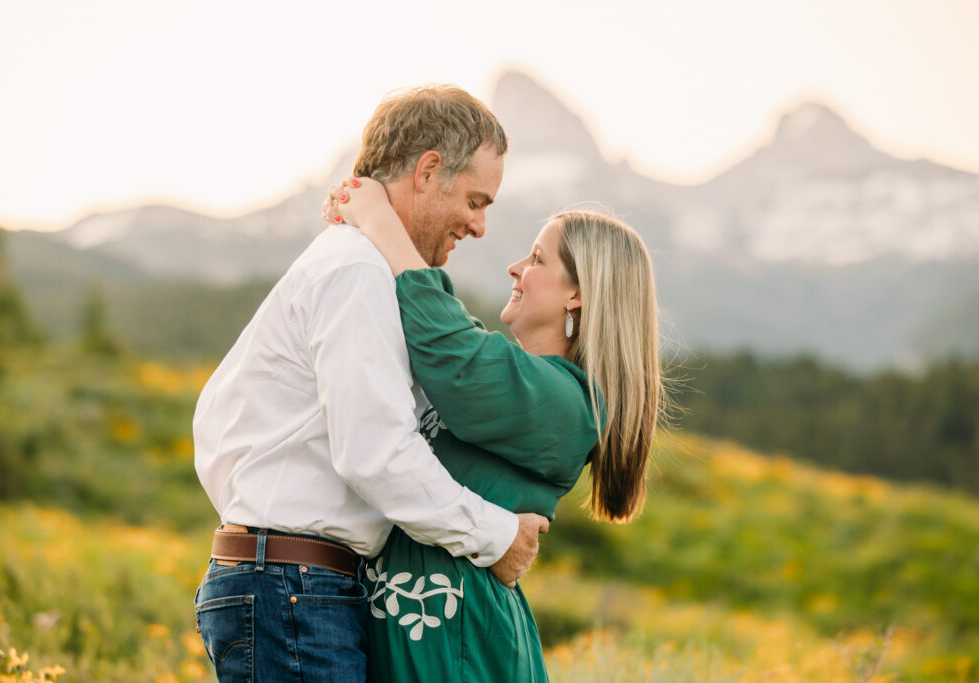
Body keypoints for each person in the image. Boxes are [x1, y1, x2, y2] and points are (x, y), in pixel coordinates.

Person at [191, 85, 550, 682]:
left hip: (289, 583)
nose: (481, 226)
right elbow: (375, 453)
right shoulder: (354, 271)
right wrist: (497, 535)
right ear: (429, 171)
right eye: (475, 199)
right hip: (294, 589)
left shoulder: (358, 264)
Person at [322, 177, 662, 682]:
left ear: (578, 295)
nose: (516, 269)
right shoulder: (521, 383)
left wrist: (379, 221)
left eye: (537, 259)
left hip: (460, 647)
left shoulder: (571, 405)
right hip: (427, 636)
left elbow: (456, 353)